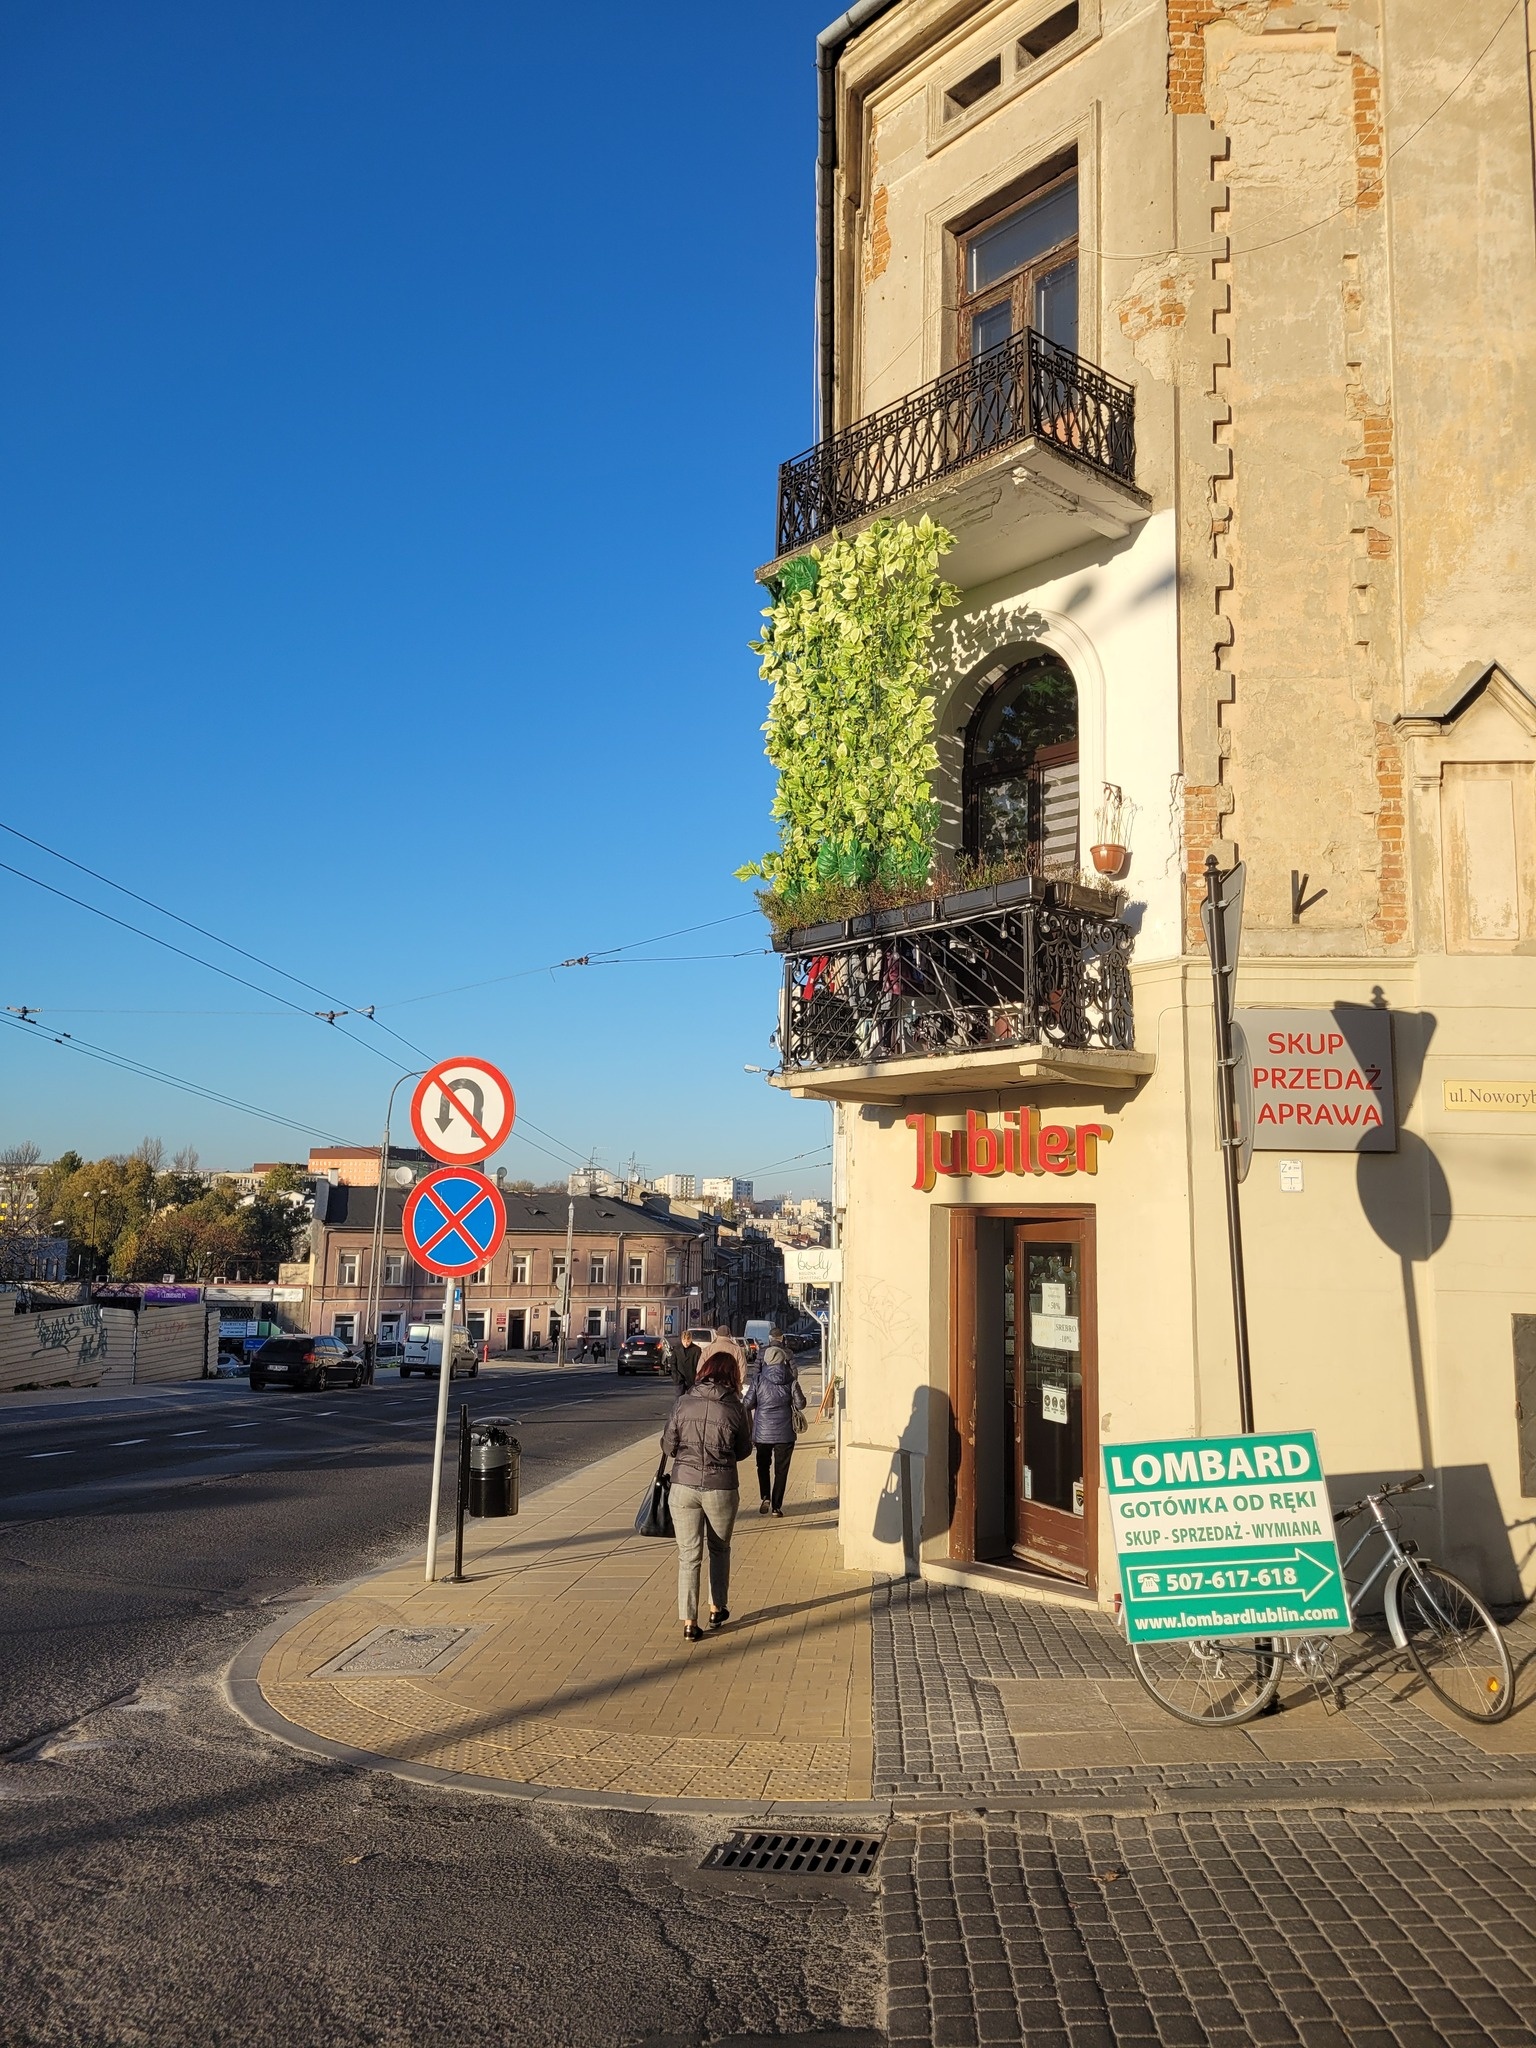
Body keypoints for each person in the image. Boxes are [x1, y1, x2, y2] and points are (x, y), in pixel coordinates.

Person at [661, 1343, 753, 1641]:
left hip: (683, 1487)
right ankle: (717, 1608)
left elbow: (668, 1445)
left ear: (705, 1371)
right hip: (720, 1486)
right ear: (733, 1375)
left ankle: (689, 1622)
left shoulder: (684, 1402)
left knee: (689, 1556)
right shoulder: (735, 1407)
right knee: (720, 1548)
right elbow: (744, 1450)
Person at [744, 1325, 804, 1517]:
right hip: (785, 1433)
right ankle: (777, 1507)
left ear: (767, 1360)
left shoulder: (758, 1380)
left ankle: (765, 1496)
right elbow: (801, 1404)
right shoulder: (791, 1380)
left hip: (762, 1432)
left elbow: (747, 1404)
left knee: (763, 1466)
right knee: (781, 1470)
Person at [670, 1328, 702, 1392]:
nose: (686, 1343)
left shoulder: (697, 1350)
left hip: (692, 1379)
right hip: (679, 1379)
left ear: (691, 1340)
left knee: (691, 1397)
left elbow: (700, 1364)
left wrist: (697, 1377)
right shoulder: (677, 1349)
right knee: (679, 1397)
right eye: (684, 1341)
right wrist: (675, 1376)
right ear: (681, 1340)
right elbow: (673, 1363)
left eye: (688, 1341)